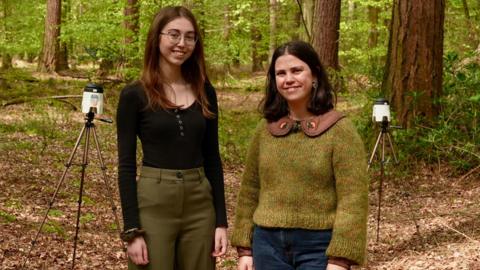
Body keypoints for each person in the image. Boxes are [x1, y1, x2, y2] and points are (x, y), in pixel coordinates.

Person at [231, 41, 369, 270]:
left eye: (296, 70)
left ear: (314, 75)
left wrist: (341, 258)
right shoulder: (264, 130)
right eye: (281, 73)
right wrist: (245, 249)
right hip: (266, 245)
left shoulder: (340, 130)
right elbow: (249, 191)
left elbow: (353, 199)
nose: (288, 79)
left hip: (319, 247)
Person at [116, 6, 227, 270]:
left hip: (200, 204)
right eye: (174, 35)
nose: (182, 43)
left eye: (190, 37)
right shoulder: (134, 94)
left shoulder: (205, 91)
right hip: (154, 202)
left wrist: (220, 221)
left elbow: (213, 158)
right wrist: (132, 230)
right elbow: (126, 165)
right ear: (157, 38)